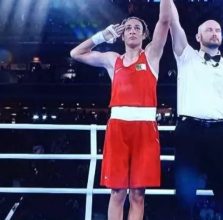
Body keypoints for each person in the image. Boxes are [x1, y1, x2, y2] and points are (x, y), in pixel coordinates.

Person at [70, 1, 172, 219]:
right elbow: (76, 53)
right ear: (122, 36)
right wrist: (101, 37)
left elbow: (165, 20)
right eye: (128, 28)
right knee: (116, 193)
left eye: (137, 28)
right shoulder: (112, 60)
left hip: (145, 130)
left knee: (138, 194)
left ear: (144, 35)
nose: (132, 31)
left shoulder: (152, 55)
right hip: (118, 129)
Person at [168, 1, 223, 219]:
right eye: (209, 29)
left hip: (218, 133)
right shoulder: (185, 55)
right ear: (197, 37)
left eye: (217, 30)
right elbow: (173, 22)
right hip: (188, 131)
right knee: (185, 195)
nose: (214, 33)